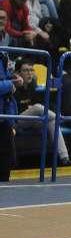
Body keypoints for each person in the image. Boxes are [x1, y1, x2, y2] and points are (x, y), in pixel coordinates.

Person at [12, 59, 71, 165]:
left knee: (51, 121)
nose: (29, 73)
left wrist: (31, 108)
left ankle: (64, 158)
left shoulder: (32, 84)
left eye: (31, 70)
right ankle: (60, 117)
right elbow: (15, 110)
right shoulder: (13, 87)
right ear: (18, 73)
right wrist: (31, 108)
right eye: (25, 70)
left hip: (30, 119)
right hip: (16, 121)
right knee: (39, 107)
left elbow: (34, 104)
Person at [0, 48, 21, 181]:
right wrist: (10, 84)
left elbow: (5, 77)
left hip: (4, 115)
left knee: (6, 158)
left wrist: (13, 78)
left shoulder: (3, 55)